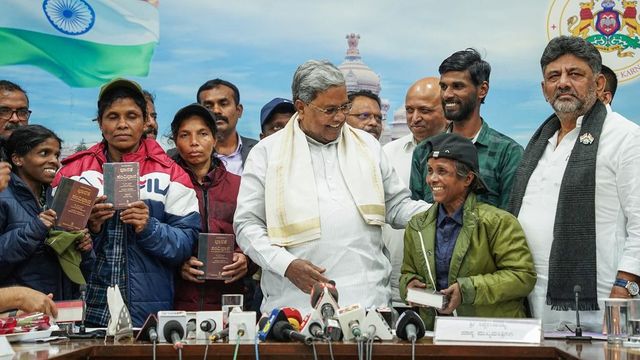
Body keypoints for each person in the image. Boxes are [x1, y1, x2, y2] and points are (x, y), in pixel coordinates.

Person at [234, 60, 428, 314]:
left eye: (344, 107)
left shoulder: (367, 147)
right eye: (329, 110)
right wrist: (287, 265)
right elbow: (247, 224)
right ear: (301, 108)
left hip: (368, 303)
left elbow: (396, 206)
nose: (339, 117)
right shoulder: (267, 154)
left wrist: (442, 215)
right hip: (294, 307)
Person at [509, 36, 640, 332]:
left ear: (599, 84)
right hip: (532, 304)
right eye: (554, 76)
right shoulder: (539, 142)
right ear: (544, 90)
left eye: (575, 74)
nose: (563, 83)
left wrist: (624, 290)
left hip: (600, 306)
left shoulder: (626, 137)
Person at [53, 78, 200, 327]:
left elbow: (186, 242)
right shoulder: (73, 173)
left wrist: (148, 227)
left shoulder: (172, 174)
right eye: (112, 116)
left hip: (144, 312)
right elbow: (55, 241)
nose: (122, 124)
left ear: (145, 122)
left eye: (131, 116)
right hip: (87, 305)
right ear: (100, 123)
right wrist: (90, 228)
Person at [400, 133, 536, 330]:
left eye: (442, 171)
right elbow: (408, 272)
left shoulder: (497, 222)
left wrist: (467, 290)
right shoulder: (417, 226)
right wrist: (409, 284)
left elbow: (522, 277)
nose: (432, 179)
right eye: (429, 171)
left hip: (487, 335)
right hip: (434, 334)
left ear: (468, 179)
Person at [410, 49, 523, 210]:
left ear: (482, 90)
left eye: (457, 86)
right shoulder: (424, 151)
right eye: (443, 86)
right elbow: (417, 220)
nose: (447, 94)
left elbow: (510, 223)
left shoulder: (508, 153)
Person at [169, 103, 251, 311]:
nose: (194, 142)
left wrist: (246, 259)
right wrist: (177, 266)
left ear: (215, 139)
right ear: (175, 141)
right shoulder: (167, 185)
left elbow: (256, 232)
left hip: (230, 301)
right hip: (178, 301)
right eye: (185, 135)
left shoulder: (239, 186)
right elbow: (154, 239)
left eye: (203, 134)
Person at [0, 125, 93, 300]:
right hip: (17, 314)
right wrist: (34, 229)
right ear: (18, 159)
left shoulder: (57, 199)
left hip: (58, 309)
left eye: (56, 155)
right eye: (44, 153)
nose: (54, 161)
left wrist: (84, 249)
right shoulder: (3, 196)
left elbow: (84, 271)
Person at [382, 77, 448, 308]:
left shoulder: (464, 156)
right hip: (393, 287)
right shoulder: (387, 154)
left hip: (447, 288)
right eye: (410, 110)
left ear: (446, 110)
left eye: (424, 110)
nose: (415, 118)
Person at [196, 79, 258, 176]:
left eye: (223, 104)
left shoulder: (259, 149)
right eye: (208, 106)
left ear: (239, 110)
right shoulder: (179, 156)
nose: (216, 111)